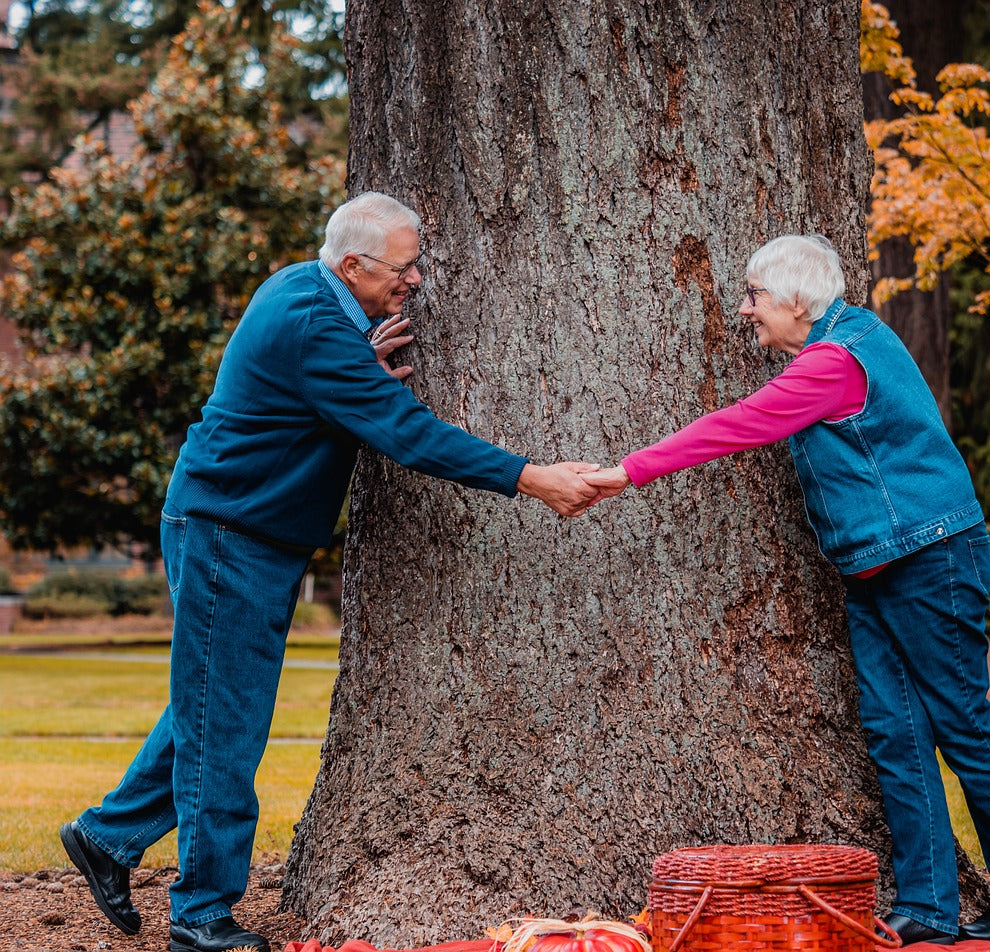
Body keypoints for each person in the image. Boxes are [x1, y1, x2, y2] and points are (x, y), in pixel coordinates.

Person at [58, 192, 602, 952]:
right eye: (404, 267)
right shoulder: (317, 324)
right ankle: (202, 914)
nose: (415, 280)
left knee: (215, 707)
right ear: (352, 264)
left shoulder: (306, 294)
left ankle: (108, 837)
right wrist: (532, 478)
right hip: (230, 536)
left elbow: (314, 382)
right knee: (230, 729)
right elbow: (410, 433)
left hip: (246, 531)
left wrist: (356, 364)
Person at [583, 235, 990, 945]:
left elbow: (738, 426)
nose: (745, 309)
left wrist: (630, 470)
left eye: (754, 295)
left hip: (929, 557)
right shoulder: (844, 341)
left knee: (959, 718)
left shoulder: (834, 360)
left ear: (796, 299)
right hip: (875, 566)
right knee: (895, 731)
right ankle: (928, 907)